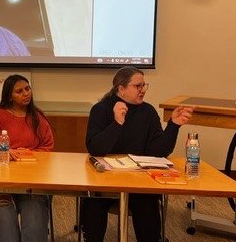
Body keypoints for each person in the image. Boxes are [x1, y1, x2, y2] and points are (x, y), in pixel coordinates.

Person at [81, 66, 195, 242]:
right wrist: (117, 123)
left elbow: (158, 152)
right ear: (121, 89)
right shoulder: (101, 109)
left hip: (138, 180)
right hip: (105, 180)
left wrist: (173, 125)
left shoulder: (147, 111)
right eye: (137, 86)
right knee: (93, 205)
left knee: (147, 206)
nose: (143, 90)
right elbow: (95, 148)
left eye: (144, 85)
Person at [0, 74, 54, 242]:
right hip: (2, 180)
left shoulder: (38, 116)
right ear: (9, 96)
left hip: (32, 180)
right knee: (6, 222)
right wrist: (7, 151)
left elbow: (48, 147)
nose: (26, 93)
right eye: (19, 91)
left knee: (34, 220)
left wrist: (28, 154)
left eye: (27, 89)